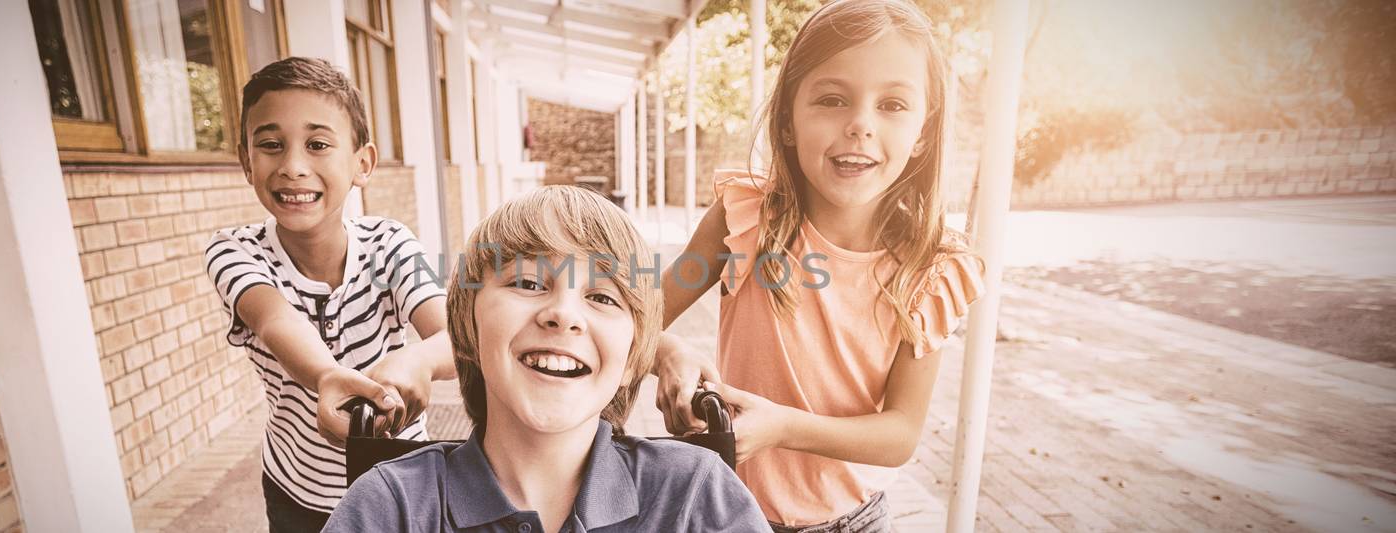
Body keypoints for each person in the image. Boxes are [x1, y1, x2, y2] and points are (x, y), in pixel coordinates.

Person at [650, 1, 987, 531]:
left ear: (923, 132)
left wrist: (783, 428)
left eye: (893, 105)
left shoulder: (932, 269)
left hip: (853, 521)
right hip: (721, 511)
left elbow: (900, 433)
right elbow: (635, 320)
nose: (860, 125)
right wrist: (668, 353)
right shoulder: (745, 218)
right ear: (787, 120)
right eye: (832, 99)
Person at [324, 186, 770, 532]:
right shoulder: (391, 506)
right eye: (529, 283)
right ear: (466, 329)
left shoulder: (694, 493)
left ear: (635, 358)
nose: (562, 315)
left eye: (600, 296)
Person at [203, 57, 455, 532]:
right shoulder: (234, 250)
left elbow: (451, 334)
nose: (293, 166)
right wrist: (325, 376)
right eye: (271, 145)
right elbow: (276, 321)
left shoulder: (390, 242)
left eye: (318, 145)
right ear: (245, 161)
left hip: (404, 480)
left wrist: (418, 362)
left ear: (363, 164)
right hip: (300, 492)